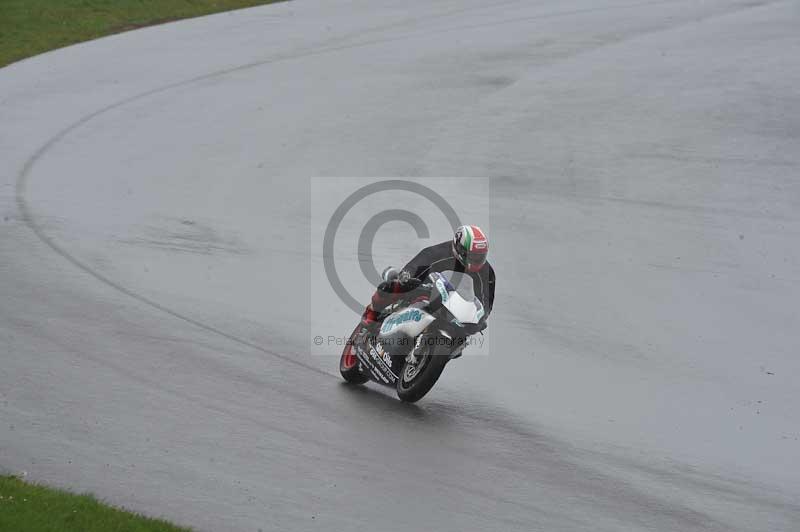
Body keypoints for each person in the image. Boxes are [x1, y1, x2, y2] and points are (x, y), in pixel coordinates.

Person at [360, 225, 495, 332]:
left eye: (481, 256)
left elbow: (486, 304)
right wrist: (407, 276)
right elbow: (415, 265)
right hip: (426, 290)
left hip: (455, 307)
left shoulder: (486, 272)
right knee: (395, 286)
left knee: (470, 330)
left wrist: (480, 320)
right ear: (460, 249)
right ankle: (372, 312)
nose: (477, 260)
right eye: (473, 256)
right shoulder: (438, 253)